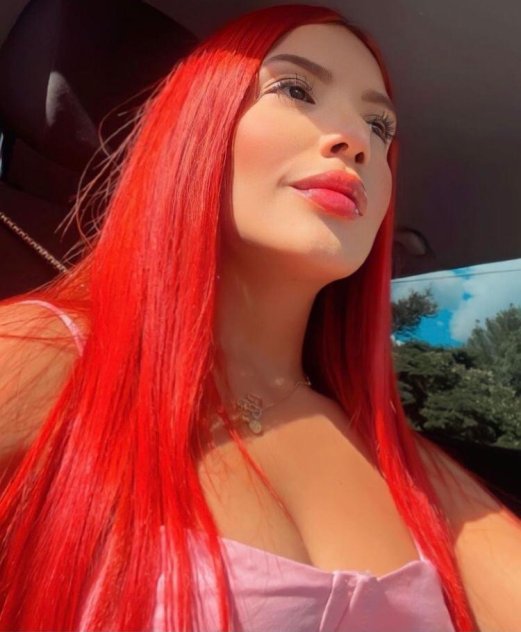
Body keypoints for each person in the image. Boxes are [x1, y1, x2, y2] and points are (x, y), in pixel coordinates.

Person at [0, 4, 519, 631]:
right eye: (295, 89)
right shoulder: (55, 356)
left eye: (379, 126)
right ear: (198, 128)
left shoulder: (398, 455)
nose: (356, 140)